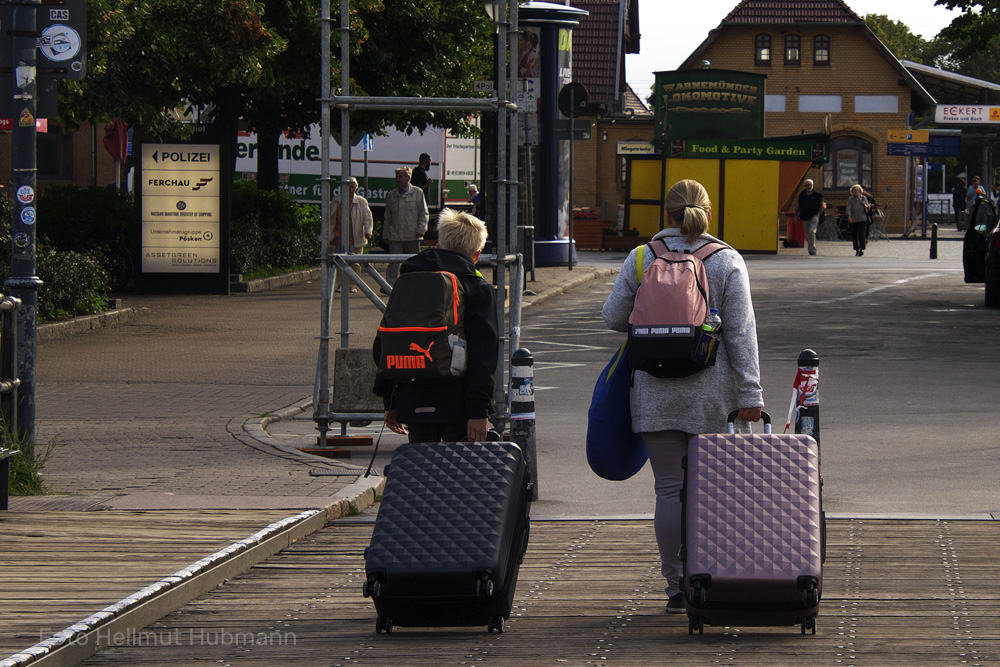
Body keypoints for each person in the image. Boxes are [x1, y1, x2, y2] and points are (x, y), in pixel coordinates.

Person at [601, 179, 764, 615]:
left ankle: (675, 585)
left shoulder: (641, 256)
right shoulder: (727, 259)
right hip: (713, 395)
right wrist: (750, 392)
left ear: (667, 214)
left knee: (668, 489)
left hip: (654, 391)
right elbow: (742, 334)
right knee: (716, 492)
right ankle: (710, 577)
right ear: (707, 214)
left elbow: (613, 316)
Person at [372, 208, 499, 443]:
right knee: (457, 475)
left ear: (438, 245)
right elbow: (484, 356)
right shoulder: (478, 289)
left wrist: (391, 401)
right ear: (477, 254)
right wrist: (478, 411)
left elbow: (386, 343)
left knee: (421, 474)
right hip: (458, 406)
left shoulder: (408, 281)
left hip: (413, 401)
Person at [383, 166, 429, 286]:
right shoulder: (391, 195)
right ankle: (389, 286)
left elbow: (423, 213)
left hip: (412, 235)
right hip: (395, 235)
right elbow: (387, 217)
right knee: (394, 262)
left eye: (400, 176)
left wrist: (421, 230)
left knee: (413, 262)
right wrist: (385, 234)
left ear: (408, 178)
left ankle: (414, 284)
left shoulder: (417, 192)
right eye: (396, 177)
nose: (397, 179)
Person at [329, 177, 373, 293]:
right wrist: (329, 235)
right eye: (349, 187)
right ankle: (339, 284)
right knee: (339, 261)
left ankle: (353, 285)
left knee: (356, 262)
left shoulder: (361, 201)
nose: (351, 189)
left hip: (356, 236)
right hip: (339, 236)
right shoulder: (336, 201)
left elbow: (368, 217)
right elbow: (330, 218)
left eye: (353, 187)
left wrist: (368, 231)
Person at [796, 179, 825, 255]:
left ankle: (812, 250)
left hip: (814, 216)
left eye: (810, 185)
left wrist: (818, 214)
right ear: (805, 186)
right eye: (807, 185)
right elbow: (798, 205)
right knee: (807, 235)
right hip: (804, 217)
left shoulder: (818, 195)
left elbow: (823, 205)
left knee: (812, 232)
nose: (809, 186)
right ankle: (811, 246)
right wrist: (795, 215)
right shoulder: (802, 194)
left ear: (813, 185)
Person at [846, 184, 870, 256]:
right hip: (854, 219)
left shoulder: (863, 198)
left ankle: (862, 248)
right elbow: (848, 208)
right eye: (854, 190)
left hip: (863, 218)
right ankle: (857, 249)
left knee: (861, 234)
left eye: (857, 190)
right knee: (855, 235)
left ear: (860, 191)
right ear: (852, 191)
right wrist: (849, 216)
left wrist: (865, 205)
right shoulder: (851, 199)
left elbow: (868, 207)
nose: (856, 192)